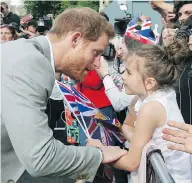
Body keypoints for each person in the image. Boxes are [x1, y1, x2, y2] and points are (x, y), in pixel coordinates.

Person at [1, 7, 127, 183]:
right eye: (96, 53)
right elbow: (40, 158)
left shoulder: (28, 53)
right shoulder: (30, 63)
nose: (96, 64)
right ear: (75, 39)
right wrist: (98, 155)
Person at [88, 40, 192, 182]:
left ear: (150, 82)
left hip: (169, 178)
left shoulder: (151, 108)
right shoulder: (143, 97)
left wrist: (98, 153)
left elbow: (131, 163)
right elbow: (128, 126)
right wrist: (143, 145)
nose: (123, 76)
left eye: (129, 73)